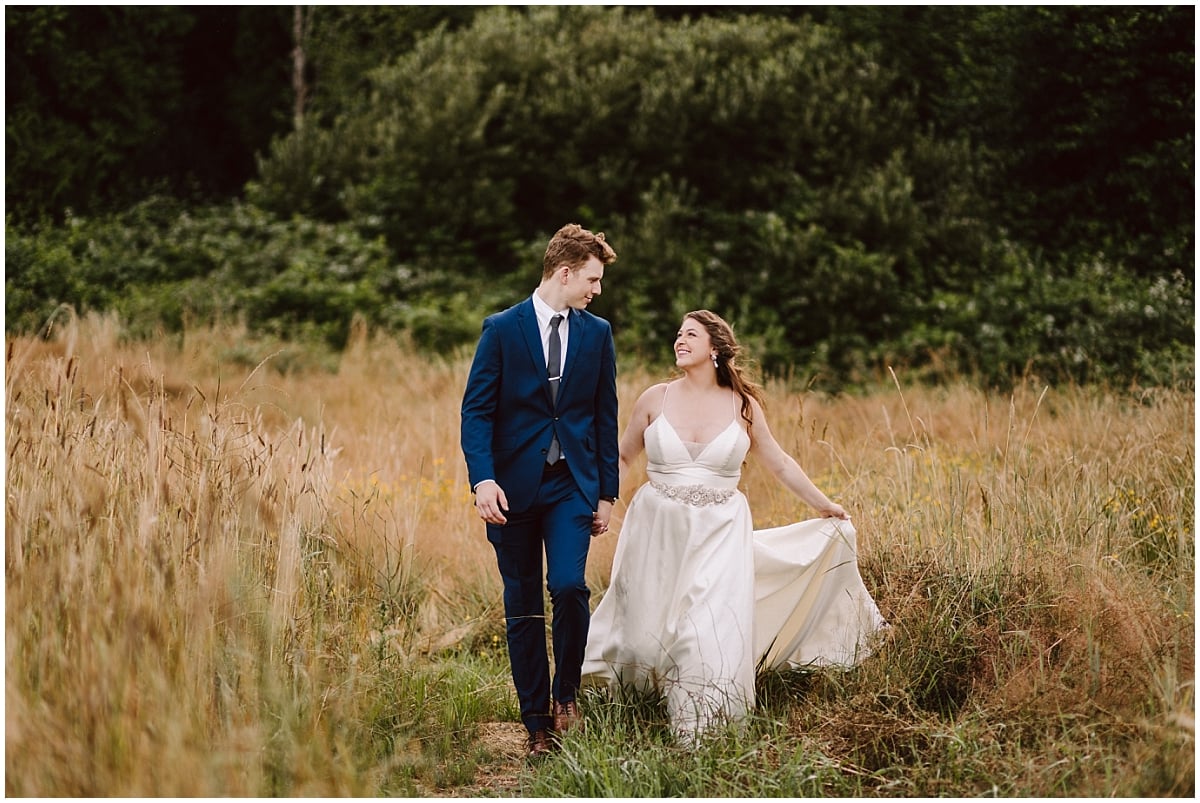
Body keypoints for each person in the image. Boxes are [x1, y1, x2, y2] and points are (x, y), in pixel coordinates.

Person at [581, 310, 886, 744]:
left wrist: (824, 505)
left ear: (716, 349)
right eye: (678, 334)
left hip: (720, 532)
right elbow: (622, 457)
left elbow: (778, 462)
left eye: (690, 335)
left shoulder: (743, 407)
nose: (679, 341)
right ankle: (633, 706)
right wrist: (605, 503)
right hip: (657, 530)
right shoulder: (655, 398)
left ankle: (702, 731)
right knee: (646, 632)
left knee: (704, 628)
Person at [461, 223, 620, 760]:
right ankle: (535, 725)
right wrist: (482, 479)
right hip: (511, 490)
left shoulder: (597, 334)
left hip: (572, 486)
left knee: (571, 587)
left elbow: (604, 415)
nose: (596, 292)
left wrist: (606, 493)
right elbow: (476, 411)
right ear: (566, 272)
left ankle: (566, 696)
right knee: (523, 605)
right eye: (592, 280)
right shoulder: (502, 329)